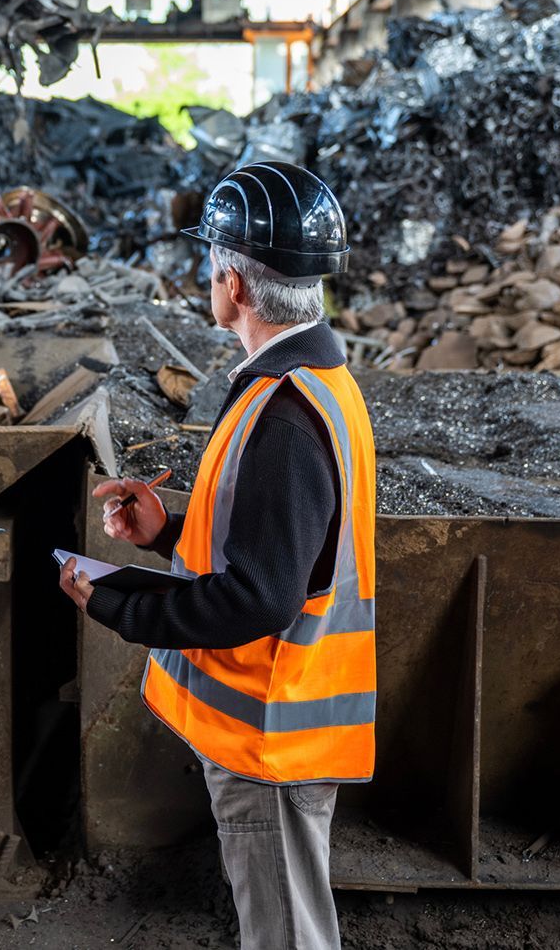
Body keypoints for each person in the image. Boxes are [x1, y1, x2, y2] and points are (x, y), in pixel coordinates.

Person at [59, 162, 376, 950]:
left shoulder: (287, 413)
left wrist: (116, 603)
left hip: (272, 737)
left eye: (210, 264)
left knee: (287, 938)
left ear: (232, 283)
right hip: (276, 727)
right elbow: (283, 546)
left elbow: (261, 596)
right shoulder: (309, 384)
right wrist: (166, 528)